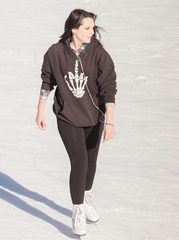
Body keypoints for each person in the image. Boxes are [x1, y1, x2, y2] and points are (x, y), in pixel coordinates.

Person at [35, 9, 117, 236]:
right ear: (74, 30)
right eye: (87, 28)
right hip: (67, 116)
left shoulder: (98, 53)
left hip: (94, 117)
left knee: (91, 162)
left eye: (92, 27)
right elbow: (47, 81)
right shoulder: (55, 53)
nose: (92, 32)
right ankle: (78, 209)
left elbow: (109, 86)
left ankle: (86, 195)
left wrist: (109, 122)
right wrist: (40, 110)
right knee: (79, 161)